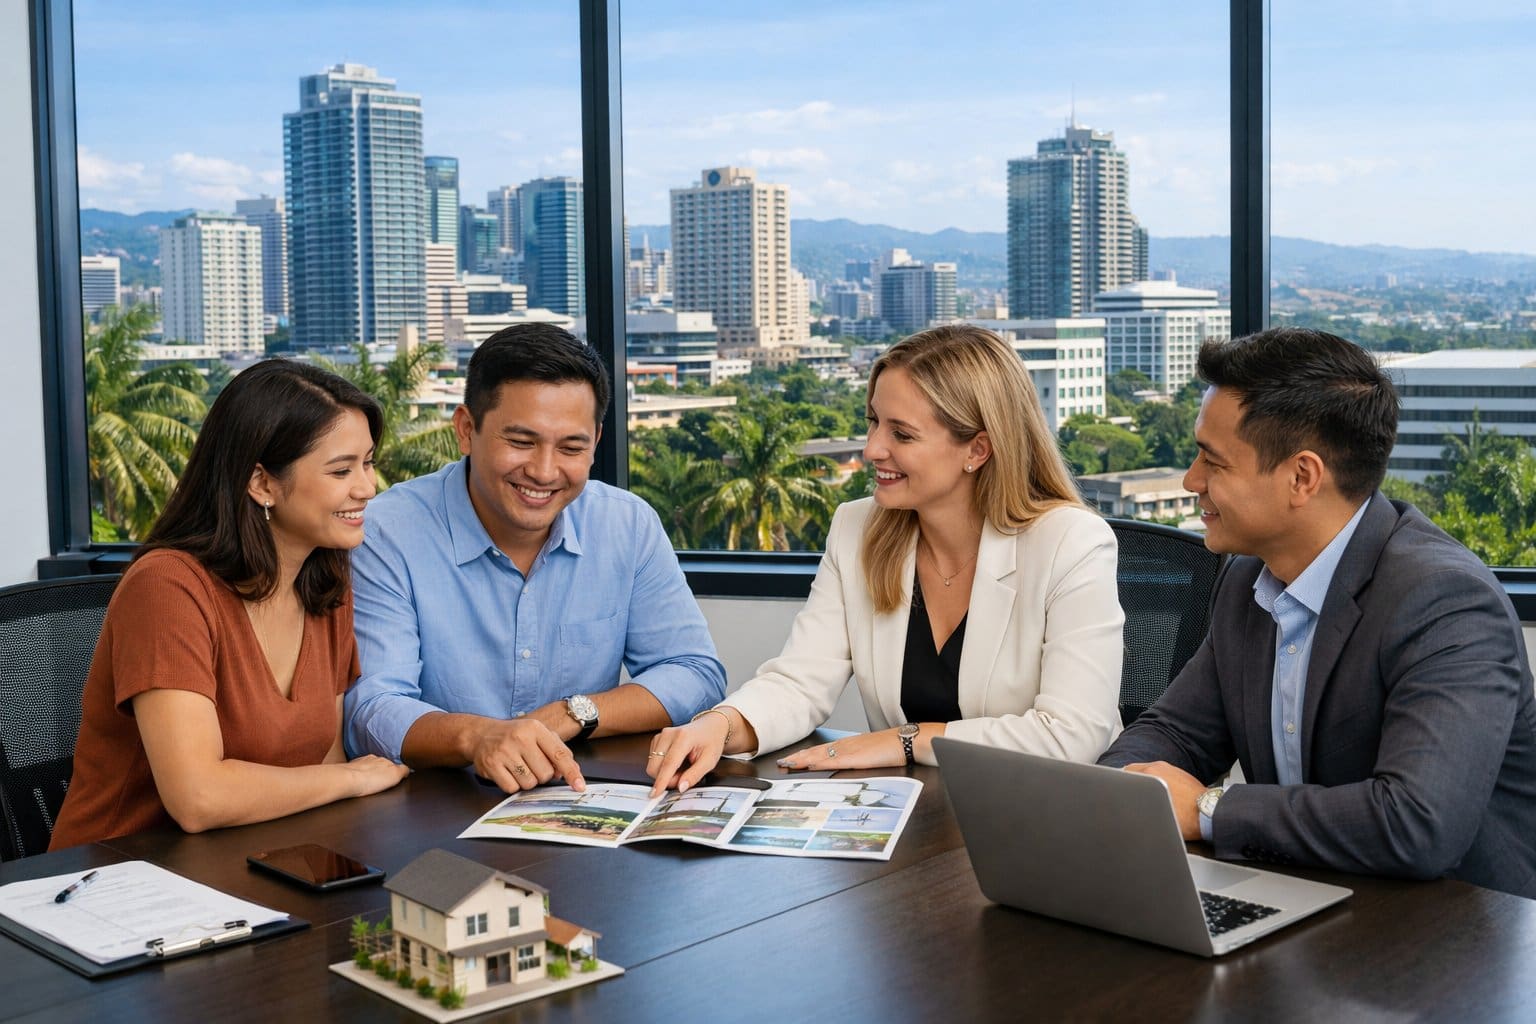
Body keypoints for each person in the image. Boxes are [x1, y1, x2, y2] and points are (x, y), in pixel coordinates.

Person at [1098, 327, 1536, 897]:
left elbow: (1416, 824)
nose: (1191, 481)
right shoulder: (1246, 578)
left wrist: (1209, 809)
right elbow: (1176, 733)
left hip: (1451, 943)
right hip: (1307, 902)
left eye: (1214, 462)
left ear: (1302, 477)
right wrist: (1108, 794)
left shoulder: (1446, 603)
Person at [647, 324, 1124, 795]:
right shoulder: (858, 529)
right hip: (910, 821)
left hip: (1041, 817)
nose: (873, 448)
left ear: (977, 449)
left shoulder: (1071, 543)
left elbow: (1072, 732)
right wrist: (720, 725)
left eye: (903, 434)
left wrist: (908, 740)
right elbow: (800, 682)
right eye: (874, 421)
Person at [344, 323, 726, 794]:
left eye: (571, 447)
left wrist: (574, 713)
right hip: (434, 807)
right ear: (466, 429)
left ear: (596, 442)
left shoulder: (627, 524)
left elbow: (695, 673)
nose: (544, 472)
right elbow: (372, 709)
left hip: (578, 799)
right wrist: (478, 737)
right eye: (521, 442)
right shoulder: (387, 532)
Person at [50, 361, 409, 849]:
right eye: (342, 470)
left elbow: (321, 762)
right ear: (261, 483)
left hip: (251, 865)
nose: (368, 487)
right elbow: (198, 798)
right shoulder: (167, 588)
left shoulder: (326, 580)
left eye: (368, 463)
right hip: (120, 884)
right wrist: (356, 780)